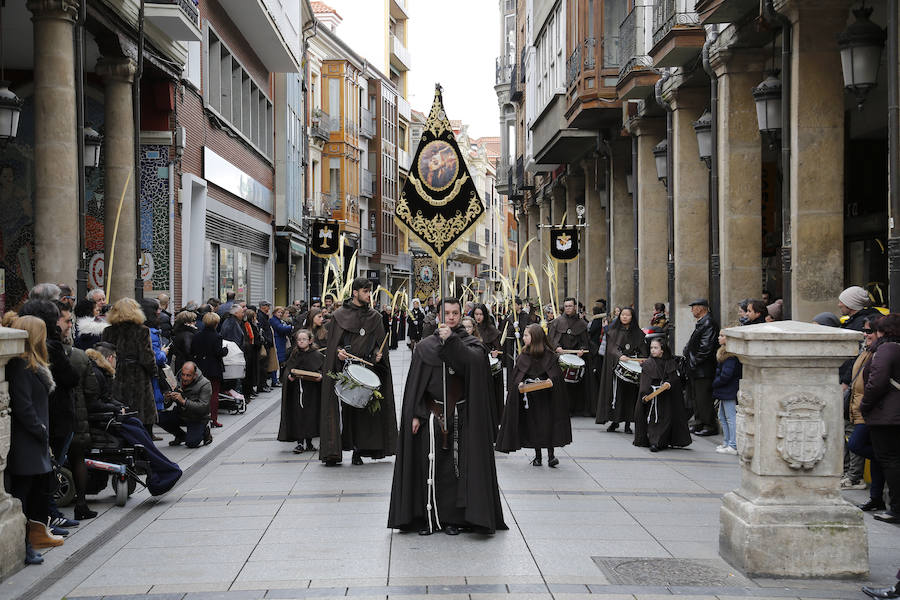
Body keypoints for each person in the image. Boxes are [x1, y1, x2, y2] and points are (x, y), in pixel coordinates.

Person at [388, 297, 507, 535]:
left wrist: (451, 341)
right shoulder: (424, 347)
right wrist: (416, 414)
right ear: (439, 315)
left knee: (455, 470)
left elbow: (473, 364)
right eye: (447, 313)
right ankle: (427, 519)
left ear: (461, 314)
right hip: (431, 416)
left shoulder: (471, 344)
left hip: (462, 417)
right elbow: (416, 387)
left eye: (455, 313)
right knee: (428, 468)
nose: (451, 317)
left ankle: (453, 519)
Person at [319, 278, 397, 466]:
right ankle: (344, 449)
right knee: (348, 412)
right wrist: (339, 352)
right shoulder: (339, 315)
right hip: (347, 371)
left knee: (366, 413)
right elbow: (333, 345)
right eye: (365, 291)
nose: (369, 295)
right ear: (355, 292)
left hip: (368, 368)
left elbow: (380, 344)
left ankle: (361, 450)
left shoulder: (375, 316)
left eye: (369, 291)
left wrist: (379, 355)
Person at [7, 315, 61, 563]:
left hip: (35, 439)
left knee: (33, 491)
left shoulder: (34, 365)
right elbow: (23, 405)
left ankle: (33, 537)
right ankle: (24, 544)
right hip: (26, 441)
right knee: (23, 493)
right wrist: (39, 429)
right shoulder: (21, 366)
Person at [496, 323, 571, 466]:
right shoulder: (523, 355)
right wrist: (519, 383)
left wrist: (551, 380)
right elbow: (517, 375)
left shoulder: (550, 355)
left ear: (535, 337)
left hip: (547, 398)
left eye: (526, 335)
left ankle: (551, 456)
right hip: (530, 399)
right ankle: (538, 457)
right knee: (534, 426)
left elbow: (556, 375)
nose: (523, 338)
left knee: (548, 425)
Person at [860, 313, 900, 524]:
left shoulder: (887, 349)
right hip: (892, 414)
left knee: (890, 461)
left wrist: (865, 406)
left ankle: (896, 509)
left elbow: (877, 383)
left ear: (883, 331)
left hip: (887, 415)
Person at [847, 317, 886, 511]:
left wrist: (865, 406)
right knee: (874, 455)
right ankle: (876, 498)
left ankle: (885, 458)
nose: (865, 334)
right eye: (864, 330)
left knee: (856, 445)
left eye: (869, 331)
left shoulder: (880, 353)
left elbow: (875, 385)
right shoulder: (867, 351)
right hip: (861, 409)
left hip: (869, 412)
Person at [101, 299, 158, 432]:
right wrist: (153, 371)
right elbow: (147, 356)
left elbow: (103, 355)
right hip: (138, 376)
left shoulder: (108, 331)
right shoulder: (142, 331)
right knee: (142, 414)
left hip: (115, 375)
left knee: (119, 414)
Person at [633, 337, 692, 452]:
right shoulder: (648, 363)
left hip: (667, 397)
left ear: (662, 350)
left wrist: (669, 383)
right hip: (653, 397)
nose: (653, 350)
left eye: (656, 348)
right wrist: (645, 395)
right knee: (654, 419)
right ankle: (654, 442)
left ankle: (663, 441)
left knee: (666, 420)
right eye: (651, 348)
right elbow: (645, 382)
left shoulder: (670, 362)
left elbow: (674, 378)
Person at [596, 306, 645, 432]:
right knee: (616, 395)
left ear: (632, 317)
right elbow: (612, 348)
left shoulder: (638, 333)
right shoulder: (613, 331)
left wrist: (640, 359)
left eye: (627, 315)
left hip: (632, 369)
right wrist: (620, 356)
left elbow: (642, 350)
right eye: (623, 315)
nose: (624, 317)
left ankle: (628, 424)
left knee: (630, 396)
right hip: (617, 368)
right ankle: (615, 421)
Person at [278, 329, 323, 454]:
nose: (301, 342)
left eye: (304, 339)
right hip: (297, 391)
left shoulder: (317, 355)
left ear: (310, 340)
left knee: (310, 415)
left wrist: (320, 376)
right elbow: (288, 370)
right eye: (299, 340)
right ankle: (299, 442)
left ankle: (309, 442)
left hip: (312, 392)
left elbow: (322, 370)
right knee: (298, 415)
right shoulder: (294, 354)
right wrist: (289, 376)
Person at [548, 297, 593, 417]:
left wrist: (582, 349)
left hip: (576, 358)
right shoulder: (557, 322)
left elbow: (585, 341)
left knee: (576, 385)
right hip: (560, 357)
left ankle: (575, 408)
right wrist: (557, 347)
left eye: (570, 306)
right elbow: (551, 339)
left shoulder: (582, 324)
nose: (568, 308)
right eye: (566, 306)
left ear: (575, 307)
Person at [682, 299, 719, 436]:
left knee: (703, 398)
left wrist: (694, 362)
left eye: (694, 307)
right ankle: (699, 422)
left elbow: (706, 348)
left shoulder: (708, 323)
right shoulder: (702, 322)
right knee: (696, 398)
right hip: (696, 369)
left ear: (701, 308)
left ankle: (709, 425)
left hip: (703, 369)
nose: (692, 310)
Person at [159, 361, 212, 448]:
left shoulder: (205, 384)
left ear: (195, 375)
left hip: (197, 418)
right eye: (183, 374)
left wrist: (184, 401)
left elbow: (203, 407)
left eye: (188, 375)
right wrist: (166, 399)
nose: (185, 378)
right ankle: (181, 436)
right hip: (181, 414)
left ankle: (205, 431)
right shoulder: (176, 380)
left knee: (191, 443)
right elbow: (167, 405)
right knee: (158, 417)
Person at [191, 311, 228, 428]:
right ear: (216, 323)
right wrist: (225, 351)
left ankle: (200, 417)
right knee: (213, 394)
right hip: (213, 368)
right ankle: (213, 419)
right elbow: (218, 353)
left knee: (199, 393)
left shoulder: (197, 335)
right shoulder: (217, 337)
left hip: (200, 367)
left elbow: (193, 351)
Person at [473, 303, 503, 428]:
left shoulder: (492, 330)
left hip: (491, 369)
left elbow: (499, 350)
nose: (478, 317)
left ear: (485, 315)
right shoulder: (471, 328)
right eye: (476, 314)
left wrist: (497, 353)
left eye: (480, 314)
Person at [712, 331, 742, 455]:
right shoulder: (725, 354)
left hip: (728, 390)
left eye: (722, 336)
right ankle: (727, 442)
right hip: (725, 390)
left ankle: (733, 445)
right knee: (722, 417)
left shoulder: (730, 356)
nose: (719, 338)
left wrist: (715, 383)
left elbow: (726, 375)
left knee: (730, 418)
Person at [270, 306, 293, 377]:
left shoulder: (277, 320)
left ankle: (276, 378)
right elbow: (280, 328)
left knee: (279, 361)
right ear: (274, 312)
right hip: (278, 342)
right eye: (278, 312)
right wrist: (290, 327)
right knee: (276, 361)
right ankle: (275, 379)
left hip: (280, 341)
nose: (280, 314)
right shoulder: (274, 320)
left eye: (281, 313)